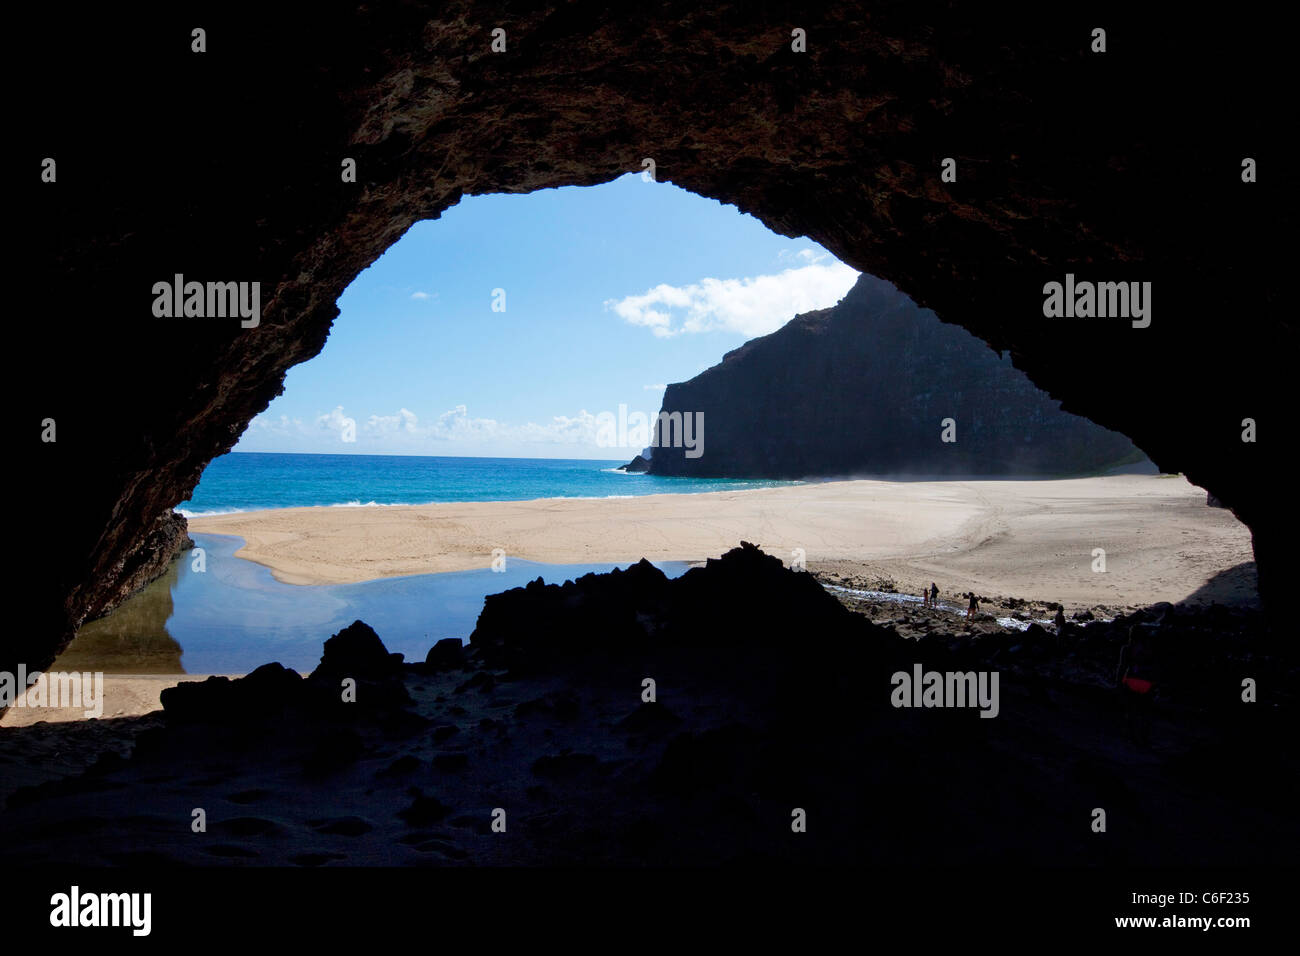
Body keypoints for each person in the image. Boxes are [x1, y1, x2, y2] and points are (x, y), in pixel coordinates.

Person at [1116, 625, 1155, 748]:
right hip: (1146, 683)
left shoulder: (1126, 649)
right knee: (1145, 712)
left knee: (1131, 711)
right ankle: (1145, 738)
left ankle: (1132, 738)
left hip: (1131, 681)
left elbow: (1121, 667)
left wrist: (1118, 683)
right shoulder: (1148, 650)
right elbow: (1154, 668)